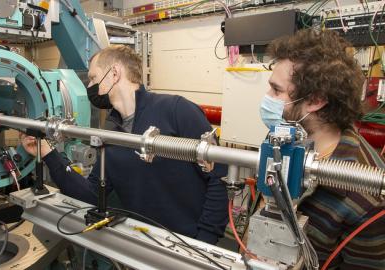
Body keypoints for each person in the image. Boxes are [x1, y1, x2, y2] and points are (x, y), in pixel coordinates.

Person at [22, 45, 229, 244]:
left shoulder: (176, 110)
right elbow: (91, 195)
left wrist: (205, 240)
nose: (89, 86)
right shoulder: (110, 135)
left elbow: (219, 178)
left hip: (191, 244)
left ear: (114, 74)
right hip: (143, 243)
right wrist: (47, 153)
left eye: (93, 77)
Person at [259, 29, 385, 269]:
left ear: (315, 101)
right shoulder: (283, 139)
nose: (267, 97)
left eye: (276, 90)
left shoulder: (367, 196)